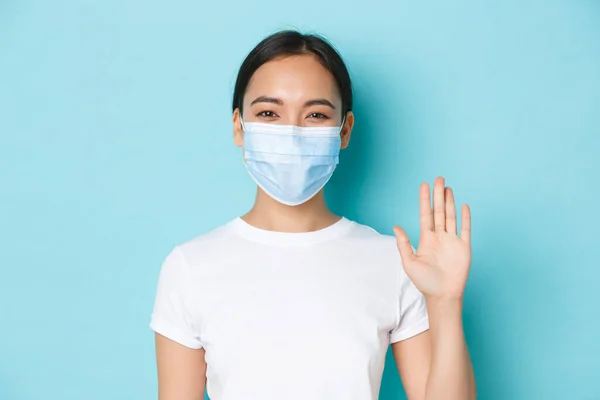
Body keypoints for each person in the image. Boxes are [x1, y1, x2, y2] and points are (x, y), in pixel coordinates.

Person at [149, 30, 476, 400]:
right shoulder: (190, 266)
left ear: (345, 130)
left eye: (316, 114)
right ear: (239, 126)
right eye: (269, 113)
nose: (291, 133)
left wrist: (445, 303)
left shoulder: (395, 262)